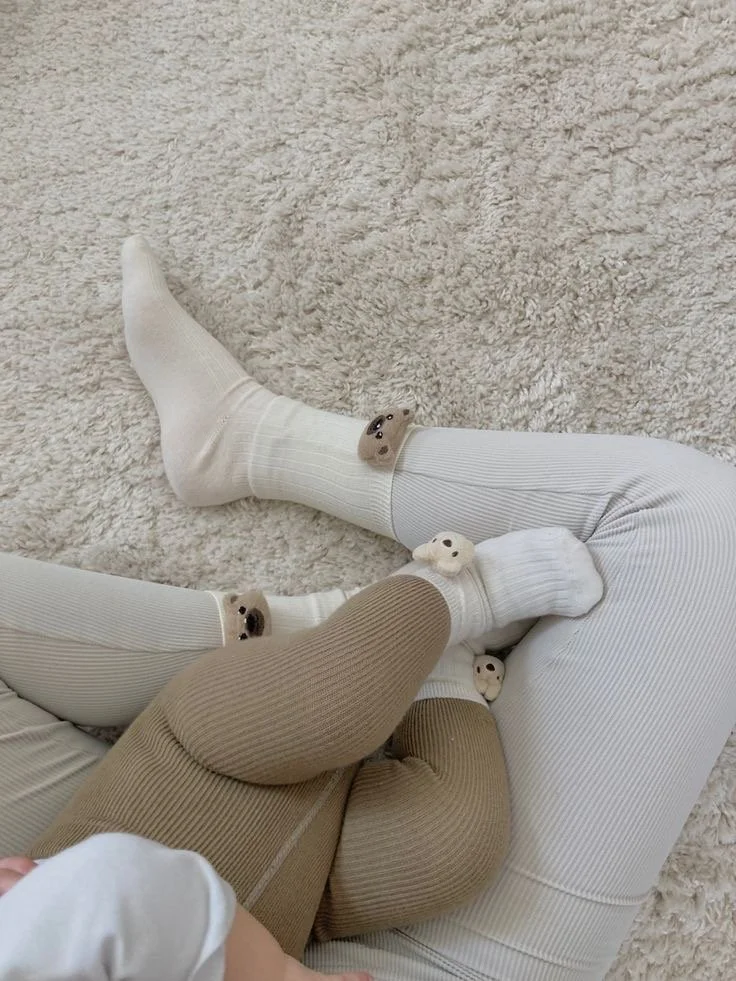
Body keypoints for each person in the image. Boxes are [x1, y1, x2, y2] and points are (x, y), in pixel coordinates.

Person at [0, 236, 734, 981]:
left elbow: (120, 890)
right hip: (316, 895)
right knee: (453, 843)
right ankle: (429, 661)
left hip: (195, 773)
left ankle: (426, 587)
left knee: (323, 706)